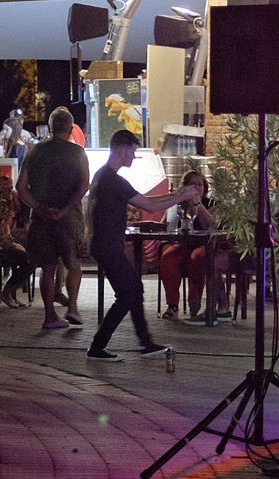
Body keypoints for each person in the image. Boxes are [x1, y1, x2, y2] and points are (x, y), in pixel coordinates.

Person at [85, 131, 197, 361]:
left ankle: (146, 343)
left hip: (103, 244)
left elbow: (145, 201)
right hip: (108, 245)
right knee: (127, 294)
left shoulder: (103, 176)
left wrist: (178, 194)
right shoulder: (113, 180)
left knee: (134, 289)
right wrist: (181, 197)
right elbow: (150, 206)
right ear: (123, 149)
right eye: (133, 151)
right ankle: (99, 347)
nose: (134, 157)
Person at [16, 107, 91, 331]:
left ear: (50, 127)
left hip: (41, 220)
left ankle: (49, 316)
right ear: (70, 128)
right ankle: (73, 307)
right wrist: (65, 208)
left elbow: (21, 187)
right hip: (69, 219)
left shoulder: (35, 152)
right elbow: (83, 185)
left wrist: (38, 207)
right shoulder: (77, 153)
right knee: (74, 264)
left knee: (47, 268)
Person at [158, 169, 232, 320]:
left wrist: (197, 204)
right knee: (168, 258)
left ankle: (194, 302)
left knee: (196, 257)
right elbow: (165, 224)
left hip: (204, 245)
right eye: (193, 184)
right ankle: (172, 305)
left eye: (200, 184)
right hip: (182, 244)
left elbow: (211, 225)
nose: (197, 188)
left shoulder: (212, 204)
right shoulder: (177, 202)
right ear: (185, 187)